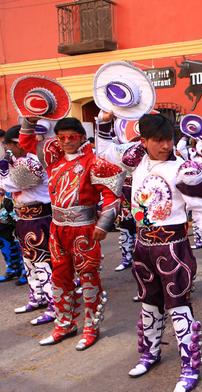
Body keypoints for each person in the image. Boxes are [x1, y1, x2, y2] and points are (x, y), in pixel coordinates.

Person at [96, 112, 202, 392]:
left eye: (169, 139)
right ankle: (149, 355)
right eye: (159, 141)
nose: (166, 146)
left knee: (178, 307)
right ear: (144, 141)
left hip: (174, 248)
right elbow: (105, 151)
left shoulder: (184, 169)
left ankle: (190, 368)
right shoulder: (137, 161)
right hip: (143, 246)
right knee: (149, 305)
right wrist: (104, 119)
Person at [19, 117, 123, 350]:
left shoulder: (94, 162)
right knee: (59, 278)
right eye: (62, 137)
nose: (66, 141)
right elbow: (26, 144)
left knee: (88, 277)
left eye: (72, 137)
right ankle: (64, 323)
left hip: (84, 230)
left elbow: (112, 193)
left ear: (81, 138)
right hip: (57, 229)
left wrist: (103, 224)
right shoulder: (53, 161)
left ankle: (91, 327)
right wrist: (30, 120)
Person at [1, 125, 54, 325]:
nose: (8, 150)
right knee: (30, 262)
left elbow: (12, 184)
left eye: (9, 146)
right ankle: (37, 297)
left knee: (42, 263)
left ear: (19, 143)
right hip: (24, 218)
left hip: (38, 218)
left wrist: (3, 170)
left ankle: (54, 305)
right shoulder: (17, 161)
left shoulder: (32, 162)